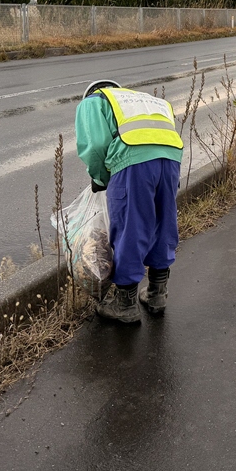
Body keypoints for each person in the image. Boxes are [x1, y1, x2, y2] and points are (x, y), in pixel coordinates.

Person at [75, 80, 184, 323]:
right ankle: (157, 294)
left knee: (130, 227)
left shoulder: (93, 101)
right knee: (163, 222)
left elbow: (94, 147)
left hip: (134, 162)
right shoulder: (145, 100)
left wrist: (101, 178)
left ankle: (125, 304)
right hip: (171, 158)